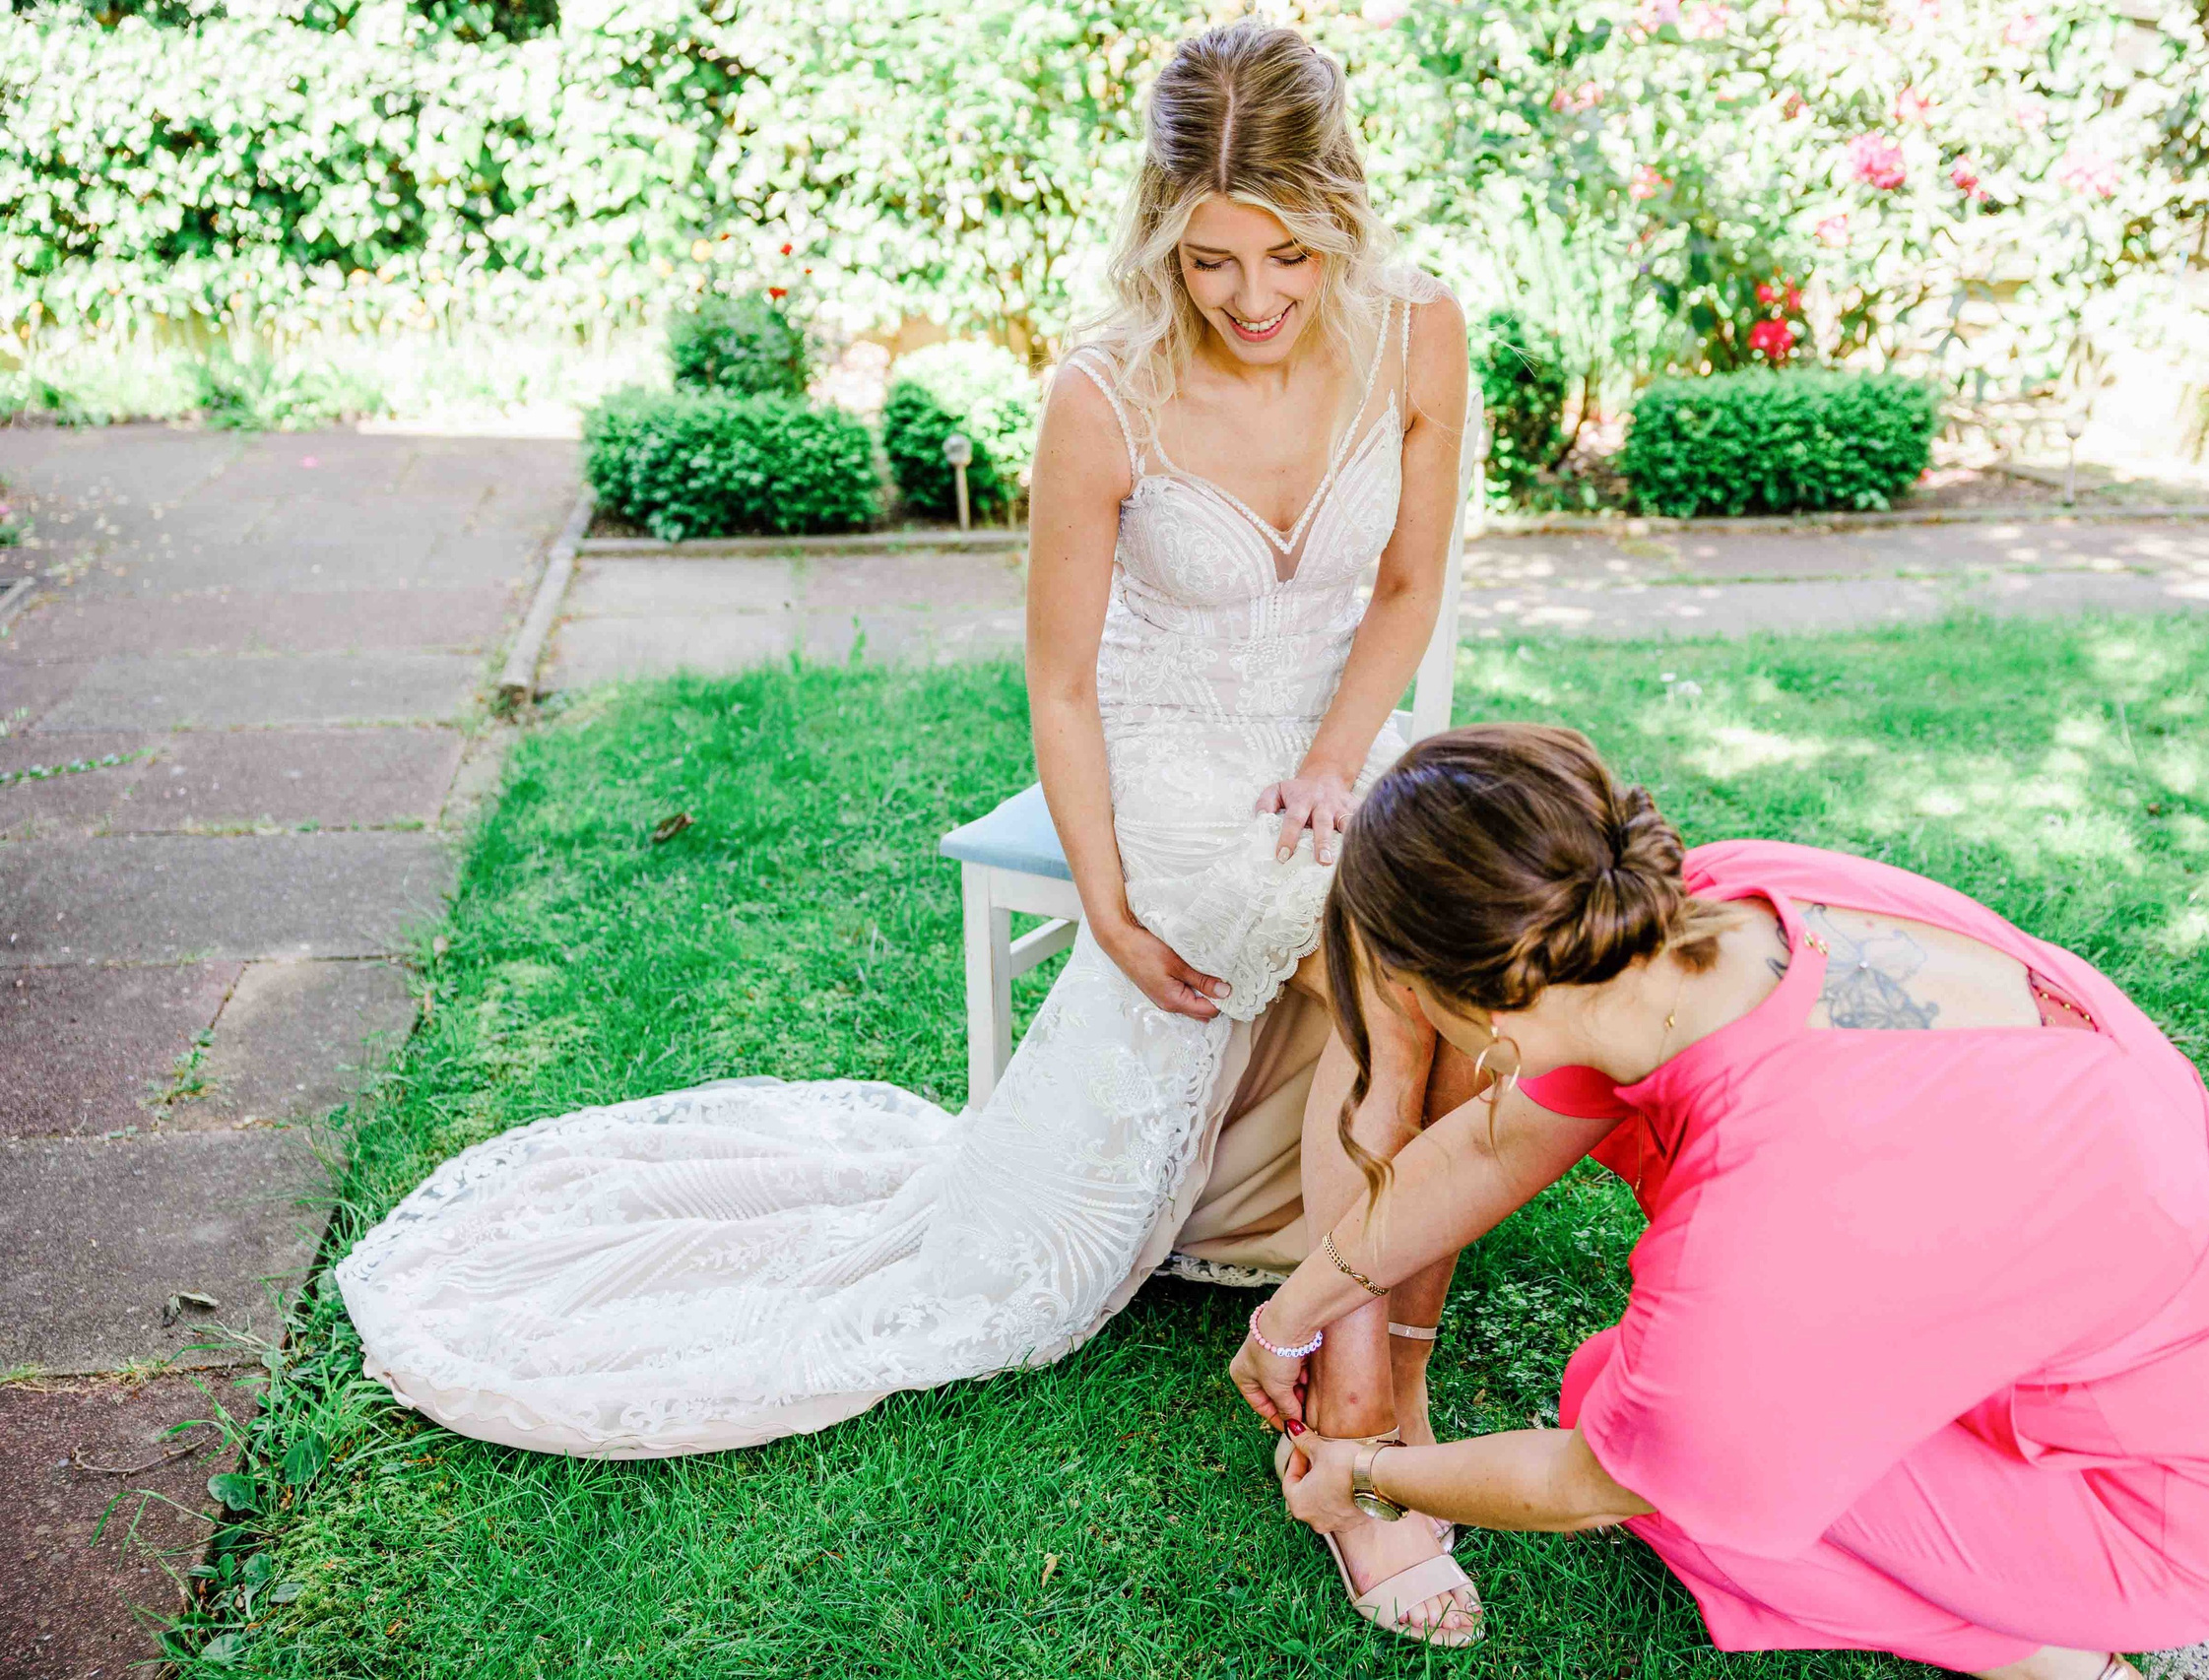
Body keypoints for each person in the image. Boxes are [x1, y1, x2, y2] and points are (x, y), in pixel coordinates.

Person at [334, 19, 1484, 1639]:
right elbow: (1067, 689)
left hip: (1336, 755)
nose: (1250, 297)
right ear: (1160, 229)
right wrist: (1105, 894)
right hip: (1170, 773)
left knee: (1433, 941)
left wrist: (1342, 754)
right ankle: (1365, 1431)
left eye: (1287, 253)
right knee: (1387, 951)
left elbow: (1412, 587)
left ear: (1344, 220)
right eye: (1211, 256)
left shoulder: (1419, 336)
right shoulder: (1105, 396)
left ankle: (1350, 1370)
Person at [1230, 723, 2209, 1673]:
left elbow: (1594, 1481)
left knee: (1662, 1452)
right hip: (2207, 1343)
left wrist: (1367, 1470)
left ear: (1490, 1015)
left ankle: (2037, 1645)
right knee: (1641, 1392)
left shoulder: (1761, 1216)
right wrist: (1293, 1315)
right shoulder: (1708, 909)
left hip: (2164, 1511)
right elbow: (1494, 1145)